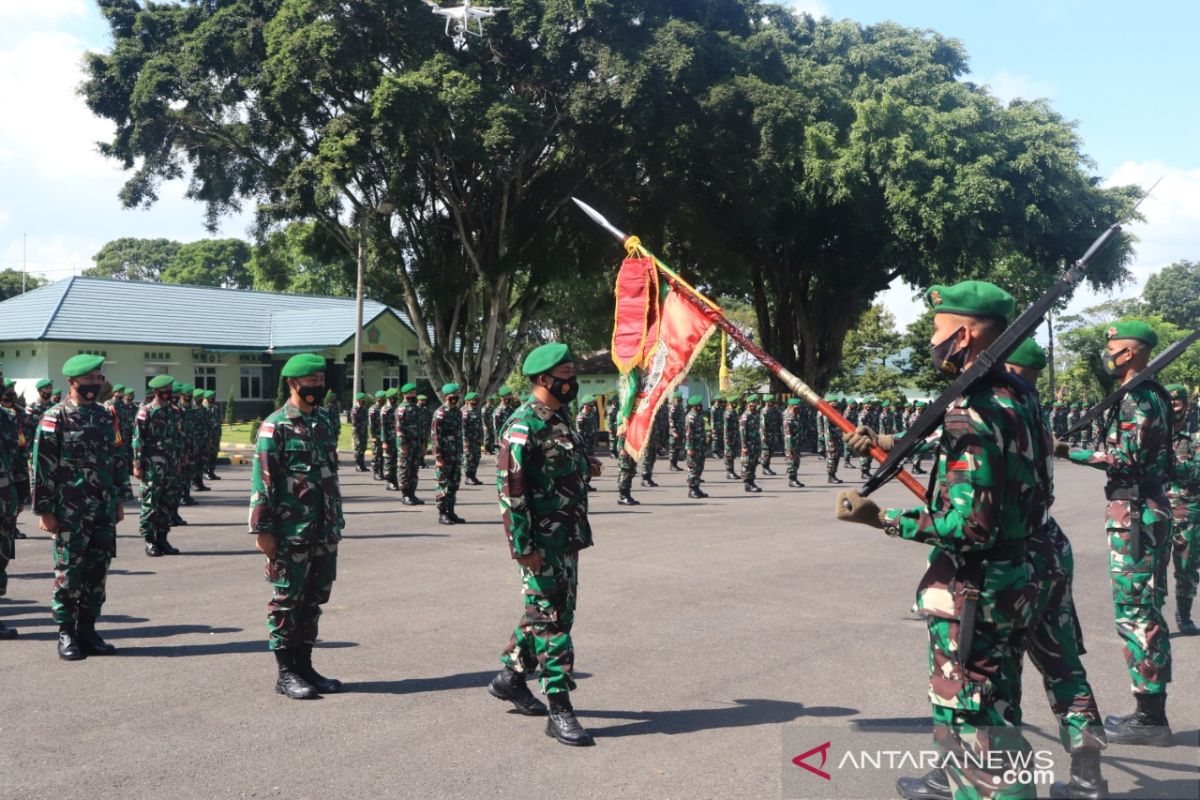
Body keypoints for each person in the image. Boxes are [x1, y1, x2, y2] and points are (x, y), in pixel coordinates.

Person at [837, 281, 1043, 800]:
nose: (932, 337)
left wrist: (881, 519)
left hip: (974, 590)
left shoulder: (973, 409)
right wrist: (884, 444)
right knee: (998, 718)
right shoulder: (1017, 397)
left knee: (976, 732)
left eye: (936, 326)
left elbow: (970, 526)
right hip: (1011, 580)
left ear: (964, 333)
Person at [1059, 320, 1174, 746]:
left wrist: (1069, 451)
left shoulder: (1137, 398)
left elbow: (1124, 460)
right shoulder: (1150, 394)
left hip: (1137, 512)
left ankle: (1150, 719)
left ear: (1127, 354)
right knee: (1144, 607)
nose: (1107, 355)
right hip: (1143, 508)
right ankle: (1150, 711)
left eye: (1112, 349)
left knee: (1137, 612)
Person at [1003, 339, 1108, 799]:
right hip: (1050, 543)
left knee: (994, 669)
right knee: (1062, 663)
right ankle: (1088, 774)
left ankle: (998, 777)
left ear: (1006, 364)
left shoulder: (1000, 410)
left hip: (1013, 554)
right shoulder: (1036, 412)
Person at [490, 343, 598, 747]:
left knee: (549, 613)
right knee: (552, 624)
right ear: (542, 379)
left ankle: (510, 678)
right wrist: (523, 547)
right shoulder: (523, 425)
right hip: (539, 542)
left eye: (572, 371)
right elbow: (511, 492)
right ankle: (560, 709)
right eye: (566, 373)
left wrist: (587, 467)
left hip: (566, 537)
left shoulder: (559, 419)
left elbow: (562, 465)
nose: (572, 380)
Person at [249, 353, 344, 700]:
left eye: (321, 379)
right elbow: (264, 480)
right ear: (293, 383)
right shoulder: (276, 426)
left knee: (313, 600)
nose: (319, 386)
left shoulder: (323, 421)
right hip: (291, 531)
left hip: (324, 527)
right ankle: (286, 672)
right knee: (287, 600)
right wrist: (263, 530)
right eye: (312, 381)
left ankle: (305, 666)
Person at [32, 354, 131, 661]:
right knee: (69, 573)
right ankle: (66, 632)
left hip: (102, 509)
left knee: (97, 572)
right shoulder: (55, 417)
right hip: (69, 511)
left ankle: (88, 630)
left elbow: (117, 459)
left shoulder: (105, 415)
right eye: (89, 379)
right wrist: (45, 510)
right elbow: (42, 467)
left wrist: (119, 500)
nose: (95, 384)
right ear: (73, 382)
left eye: (99, 378)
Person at [133, 375, 184, 557]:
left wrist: (179, 461)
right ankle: (149, 540)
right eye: (165, 391)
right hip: (152, 466)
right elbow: (138, 439)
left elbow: (178, 438)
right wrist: (137, 463)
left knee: (167, 503)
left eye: (170, 391)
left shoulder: (175, 412)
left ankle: (163, 539)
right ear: (156, 392)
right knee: (150, 503)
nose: (169, 394)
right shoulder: (146, 412)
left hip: (171, 465)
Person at [1163, 384, 1200, 636]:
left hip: (1187, 511)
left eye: (1176, 403)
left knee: (1186, 569)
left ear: (1185, 406)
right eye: (1168, 403)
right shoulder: (1152, 437)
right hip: (1156, 510)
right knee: (1153, 568)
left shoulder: (1195, 440)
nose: (1172, 408)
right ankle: (1154, 617)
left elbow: (1196, 472)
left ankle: (1184, 616)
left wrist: (1168, 462)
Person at [0, 371, 21, 639]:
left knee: (1, 557)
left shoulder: (7, 418)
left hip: (5, 497)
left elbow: (15, 459)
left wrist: (18, 497)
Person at [432, 384, 465, 524]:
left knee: (454, 484)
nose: (455, 399)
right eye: (453, 396)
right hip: (444, 455)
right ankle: (442, 513)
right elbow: (435, 436)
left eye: (457, 395)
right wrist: (438, 457)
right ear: (446, 397)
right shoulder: (440, 413)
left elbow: (459, 433)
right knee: (443, 483)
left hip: (455, 455)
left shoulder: (457, 412)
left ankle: (451, 511)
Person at [395, 383, 424, 505]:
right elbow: (399, 429)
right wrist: (402, 445)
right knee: (405, 469)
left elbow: (420, 427)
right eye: (410, 393)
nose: (413, 395)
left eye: (414, 393)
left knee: (414, 469)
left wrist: (423, 443)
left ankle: (412, 493)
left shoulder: (416, 408)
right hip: (406, 445)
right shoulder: (401, 409)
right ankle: (405, 495)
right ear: (404, 394)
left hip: (416, 444)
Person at [739, 394, 763, 492]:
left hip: (755, 444)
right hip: (748, 444)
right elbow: (743, 432)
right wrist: (744, 446)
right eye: (754, 402)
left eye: (756, 402)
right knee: (747, 463)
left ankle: (752, 481)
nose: (756, 404)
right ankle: (748, 483)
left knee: (754, 463)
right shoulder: (745, 416)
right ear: (749, 404)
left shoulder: (755, 415)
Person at [684, 395, 707, 499]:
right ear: (694, 406)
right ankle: (692, 489)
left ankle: (697, 488)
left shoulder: (699, 415)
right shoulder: (690, 417)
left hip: (700, 446)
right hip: (694, 447)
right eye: (698, 405)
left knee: (699, 467)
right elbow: (688, 434)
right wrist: (689, 448)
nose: (700, 406)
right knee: (693, 468)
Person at [575, 395, 598, 492]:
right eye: (589, 406)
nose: (591, 408)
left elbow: (594, 428)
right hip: (584, 443)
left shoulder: (591, 414)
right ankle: (583, 484)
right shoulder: (581, 417)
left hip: (591, 443)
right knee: (584, 464)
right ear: (585, 406)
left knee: (590, 464)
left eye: (592, 406)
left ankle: (587, 483)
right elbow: (579, 432)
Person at [462, 392, 485, 486]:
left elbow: (479, 425)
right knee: (469, 459)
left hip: (476, 440)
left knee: (476, 458)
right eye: (473, 401)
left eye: (476, 401)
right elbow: (462, 428)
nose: (475, 402)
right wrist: (465, 441)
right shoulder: (464, 411)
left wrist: (481, 438)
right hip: (469, 440)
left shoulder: (477, 410)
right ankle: (468, 477)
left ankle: (473, 476)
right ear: (467, 401)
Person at [784, 398, 805, 488]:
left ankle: (794, 478)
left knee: (796, 462)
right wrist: (790, 447)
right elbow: (787, 434)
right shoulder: (788, 418)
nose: (798, 409)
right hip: (791, 444)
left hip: (796, 443)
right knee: (791, 462)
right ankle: (791, 480)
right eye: (796, 407)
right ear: (791, 406)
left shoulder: (796, 416)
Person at [382, 388, 400, 491]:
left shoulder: (396, 408)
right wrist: (384, 441)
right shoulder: (385, 409)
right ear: (389, 398)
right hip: (388, 439)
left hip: (396, 439)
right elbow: (382, 426)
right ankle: (389, 481)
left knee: (395, 461)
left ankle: (394, 480)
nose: (396, 399)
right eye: (394, 397)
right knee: (389, 461)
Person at [761, 394, 783, 475]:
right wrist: (763, 435)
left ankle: (767, 466)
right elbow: (763, 424)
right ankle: (765, 468)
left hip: (773, 433)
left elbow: (780, 416)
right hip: (767, 434)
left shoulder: (774, 410)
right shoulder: (764, 411)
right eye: (771, 402)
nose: (773, 403)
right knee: (766, 451)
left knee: (771, 451)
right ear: (767, 402)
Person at [350, 392, 370, 472]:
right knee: (358, 448)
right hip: (357, 431)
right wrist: (357, 432)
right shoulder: (355, 409)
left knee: (363, 447)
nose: (364, 401)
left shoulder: (364, 408)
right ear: (358, 400)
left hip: (364, 430)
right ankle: (358, 464)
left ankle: (362, 465)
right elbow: (354, 422)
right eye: (362, 400)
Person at [369, 390, 386, 480]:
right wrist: (373, 436)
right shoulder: (373, 409)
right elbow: (371, 424)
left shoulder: (384, 408)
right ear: (378, 399)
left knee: (382, 455)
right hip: (376, 435)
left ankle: (381, 472)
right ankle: (376, 473)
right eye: (382, 400)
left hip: (383, 435)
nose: (383, 401)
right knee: (376, 455)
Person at [723, 397, 741, 479]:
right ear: (730, 403)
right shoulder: (728, 413)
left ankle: (731, 471)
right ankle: (729, 472)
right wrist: (727, 438)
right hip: (729, 437)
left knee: (733, 454)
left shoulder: (734, 412)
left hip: (734, 436)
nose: (735, 404)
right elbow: (726, 427)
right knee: (729, 454)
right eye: (734, 402)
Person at [668, 393, 686, 472]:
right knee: (673, 449)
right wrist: (674, 431)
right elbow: (671, 420)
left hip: (680, 430)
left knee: (678, 448)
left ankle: (675, 464)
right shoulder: (673, 407)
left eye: (681, 398)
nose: (680, 399)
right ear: (675, 398)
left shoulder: (681, 406)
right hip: (675, 431)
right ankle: (672, 465)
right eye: (679, 398)